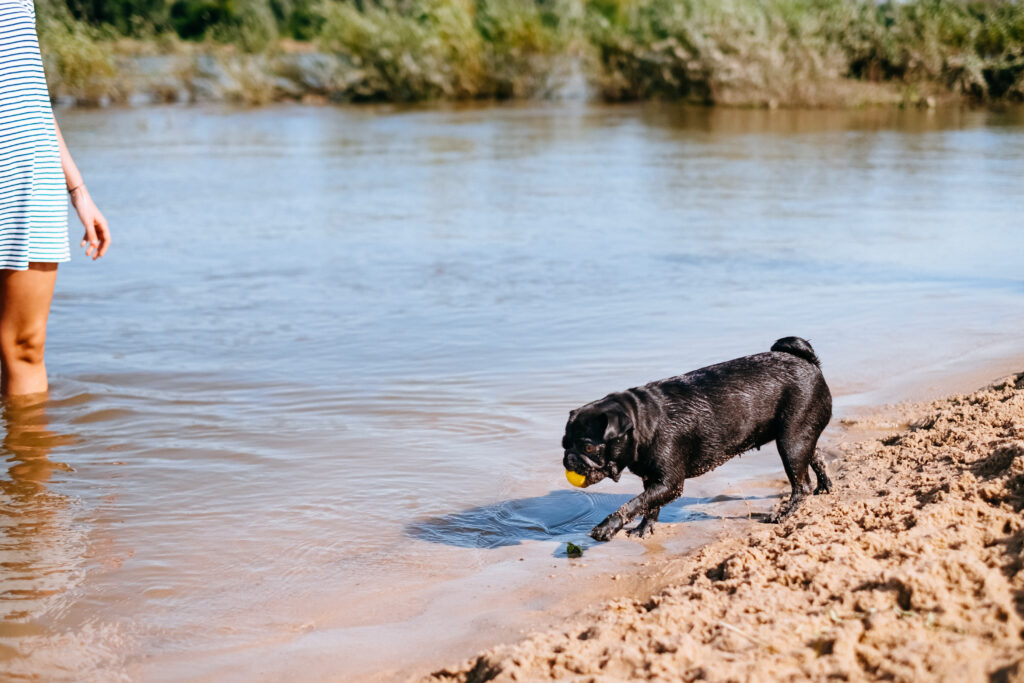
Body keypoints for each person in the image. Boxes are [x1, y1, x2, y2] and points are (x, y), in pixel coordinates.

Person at [1, 0, 111, 397]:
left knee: (25, 347)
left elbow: (27, 88)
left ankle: (29, 459)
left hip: (29, 171)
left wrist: (77, 189)